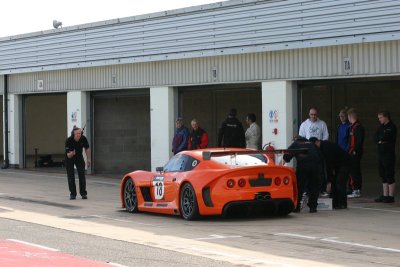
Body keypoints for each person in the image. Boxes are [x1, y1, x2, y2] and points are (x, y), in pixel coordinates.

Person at [283, 136, 322, 213]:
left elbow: (286, 158)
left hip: (303, 166)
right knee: (314, 186)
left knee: (299, 187)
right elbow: (320, 155)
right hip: (316, 166)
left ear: (294, 140)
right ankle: (313, 207)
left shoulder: (296, 144)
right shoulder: (311, 143)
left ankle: (297, 207)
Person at [311, 138, 352, 209]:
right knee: (335, 183)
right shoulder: (322, 148)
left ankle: (343, 204)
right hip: (338, 165)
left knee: (340, 183)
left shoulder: (326, 147)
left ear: (317, 142)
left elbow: (329, 165)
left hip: (345, 163)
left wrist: (329, 182)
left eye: (314, 146)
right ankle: (335, 203)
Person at [299, 107, 329, 196]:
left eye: (315, 114)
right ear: (309, 114)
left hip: (319, 150)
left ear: (317, 114)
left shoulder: (322, 124)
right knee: (307, 170)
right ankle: (306, 190)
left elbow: (326, 136)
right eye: (312, 114)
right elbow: (301, 137)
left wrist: (321, 144)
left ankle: (322, 189)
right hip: (308, 151)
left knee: (320, 170)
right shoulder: (304, 124)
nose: (313, 116)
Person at [374, 111, 397, 203]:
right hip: (381, 154)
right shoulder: (381, 127)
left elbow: (385, 137)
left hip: (389, 155)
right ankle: (385, 195)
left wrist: (381, 140)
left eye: (380, 117)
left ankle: (391, 196)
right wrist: (380, 140)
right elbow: (375, 138)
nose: (379, 119)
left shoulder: (392, 127)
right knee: (382, 174)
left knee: (389, 174)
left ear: (386, 117)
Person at [65, 126, 91, 200]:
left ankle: (83, 193)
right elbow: (68, 155)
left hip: (79, 157)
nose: (79, 135)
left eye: (80, 133)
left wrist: (88, 159)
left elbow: (87, 148)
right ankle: (73, 194)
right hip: (70, 158)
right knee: (71, 176)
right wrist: (72, 153)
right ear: (73, 134)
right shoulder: (68, 140)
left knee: (82, 175)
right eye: (77, 134)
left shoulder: (83, 138)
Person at [347, 108, 365, 198]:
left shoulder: (357, 127)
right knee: (354, 170)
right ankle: (354, 189)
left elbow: (357, 142)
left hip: (354, 153)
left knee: (354, 171)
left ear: (350, 117)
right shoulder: (353, 127)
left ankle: (356, 189)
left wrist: (353, 151)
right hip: (352, 152)